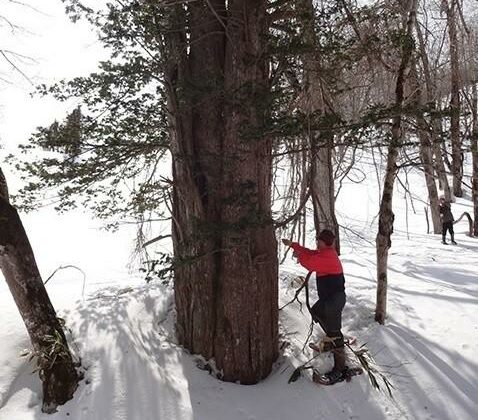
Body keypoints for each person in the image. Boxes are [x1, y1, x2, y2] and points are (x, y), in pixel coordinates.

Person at [282, 229, 347, 383]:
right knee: (317, 312)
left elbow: (309, 262)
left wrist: (300, 256)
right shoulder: (325, 252)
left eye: (319, 240)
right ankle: (329, 343)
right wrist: (294, 245)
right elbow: (310, 254)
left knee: (335, 333)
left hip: (334, 300)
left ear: (324, 242)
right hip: (329, 299)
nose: (317, 242)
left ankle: (340, 369)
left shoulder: (328, 256)